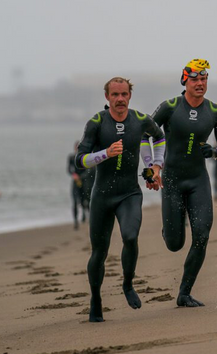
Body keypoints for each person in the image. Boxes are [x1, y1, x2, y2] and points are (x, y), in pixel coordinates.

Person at [76, 77, 165, 322]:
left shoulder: (140, 120)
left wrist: (154, 168)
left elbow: (158, 138)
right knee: (99, 253)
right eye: (115, 95)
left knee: (130, 236)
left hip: (129, 193)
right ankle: (96, 299)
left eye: (124, 94)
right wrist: (105, 153)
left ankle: (127, 284)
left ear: (129, 96)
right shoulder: (97, 122)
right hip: (102, 195)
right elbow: (79, 159)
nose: (120, 99)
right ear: (107, 97)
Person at [144, 59, 217, 308]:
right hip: (172, 181)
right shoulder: (169, 107)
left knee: (202, 235)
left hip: (198, 181)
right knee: (174, 244)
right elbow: (145, 135)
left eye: (204, 79)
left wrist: (214, 152)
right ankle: (170, 226)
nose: (200, 84)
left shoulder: (215, 111)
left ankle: (184, 293)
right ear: (185, 81)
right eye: (195, 79)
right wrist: (151, 166)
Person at [67, 141, 88, 230]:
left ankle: (84, 214)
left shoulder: (85, 158)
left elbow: (88, 171)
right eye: (76, 147)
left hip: (84, 183)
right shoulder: (71, 157)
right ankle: (75, 221)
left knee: (84, 201)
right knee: (75, 202)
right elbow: (68, 169)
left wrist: (81, 177)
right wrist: (73, 175)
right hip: (75, 183)